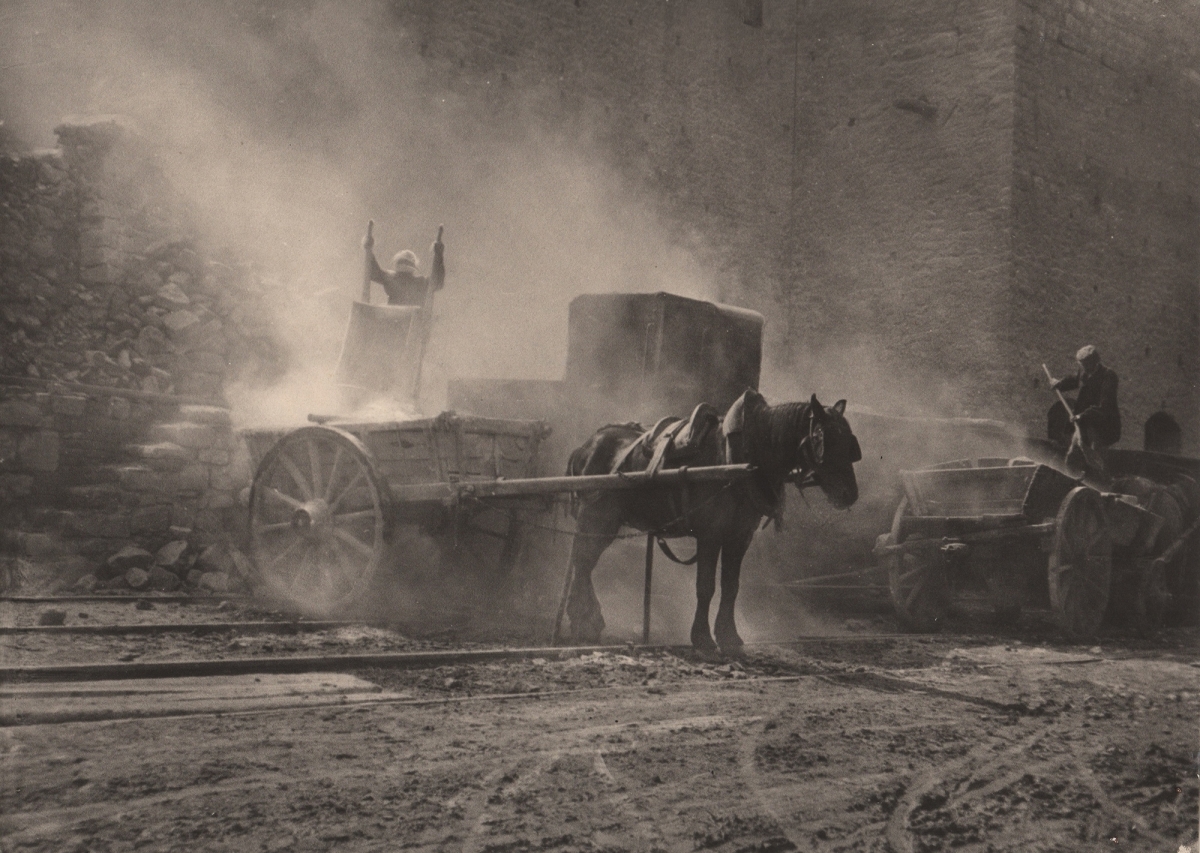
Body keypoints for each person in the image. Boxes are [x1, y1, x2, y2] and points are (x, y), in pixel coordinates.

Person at [1049, 344, 1121, 452]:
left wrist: (1081, 416)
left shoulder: (1108, 376)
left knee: (1094, 454)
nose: (1083, 368)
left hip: (1102, 426)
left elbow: (1104, 406)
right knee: (1073, 452)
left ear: (1094, 362)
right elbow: (1075, 380)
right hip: (1084, 423)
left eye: (1085, 365)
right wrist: (1059, 384)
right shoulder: (1086, 371)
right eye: (1081, 365)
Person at [362, 222, 444, 306]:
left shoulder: (390, 278)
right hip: (401, 316)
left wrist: (368, 249)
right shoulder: (421, 282)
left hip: (400, 316)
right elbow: (437, 282)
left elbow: (372, 272)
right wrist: (439, 254)